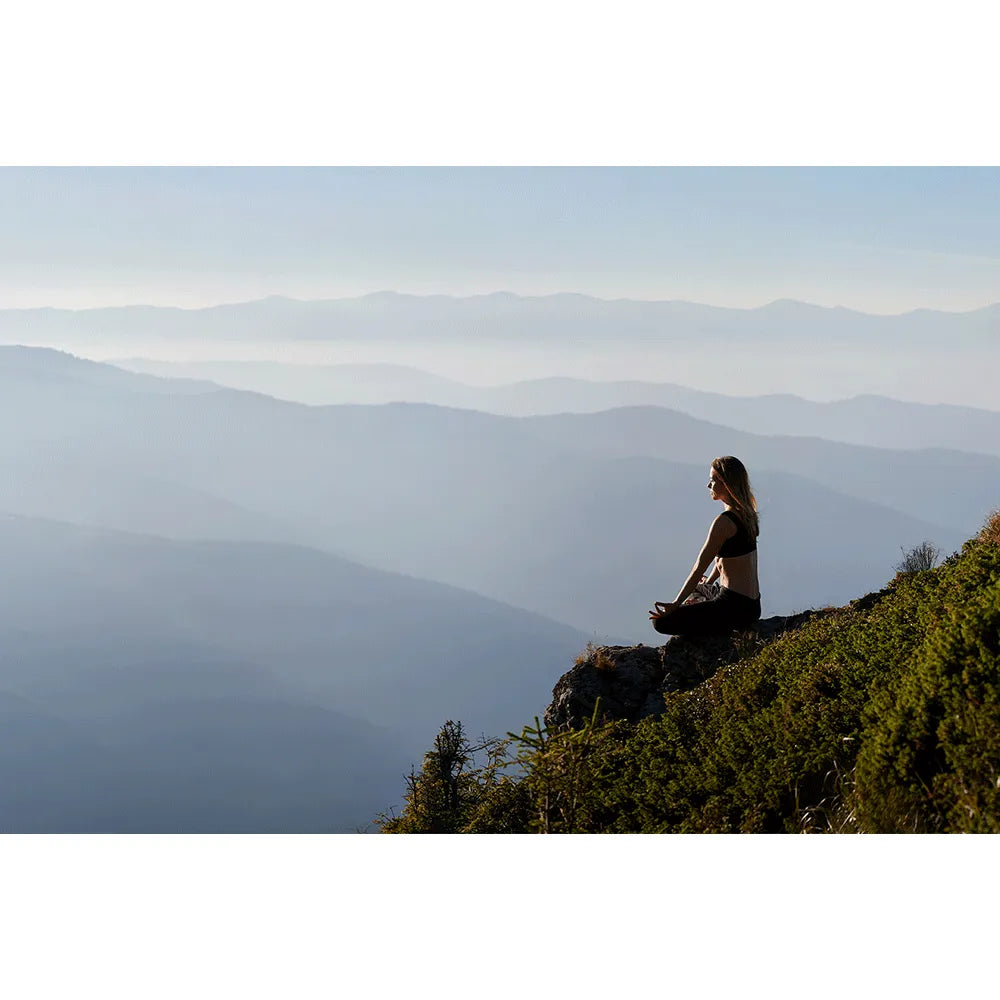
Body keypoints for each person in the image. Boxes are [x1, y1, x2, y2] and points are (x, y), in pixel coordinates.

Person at [649, 455, 761, 636]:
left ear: (725, 483)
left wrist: (675, 605)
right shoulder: (748, 515)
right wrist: (708, 583)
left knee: (660, 622)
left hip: (733, 607)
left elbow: (699, 567)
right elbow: (727, 560)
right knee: (698, 590)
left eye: (712, 480)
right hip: (752, 605)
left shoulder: (724, 523)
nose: (709, 486)